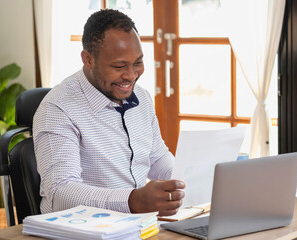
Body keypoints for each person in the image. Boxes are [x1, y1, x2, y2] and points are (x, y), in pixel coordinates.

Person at [33, 9, 185, 216]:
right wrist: (133, 201)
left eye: (138, 63)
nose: (131, 76)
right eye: (119, 66)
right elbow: (61, 193)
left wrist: (191, 180)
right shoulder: (57, 108)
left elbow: (156, 158)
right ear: (88, 59)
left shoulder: (142, 97)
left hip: (138, 225)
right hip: (83, 230)